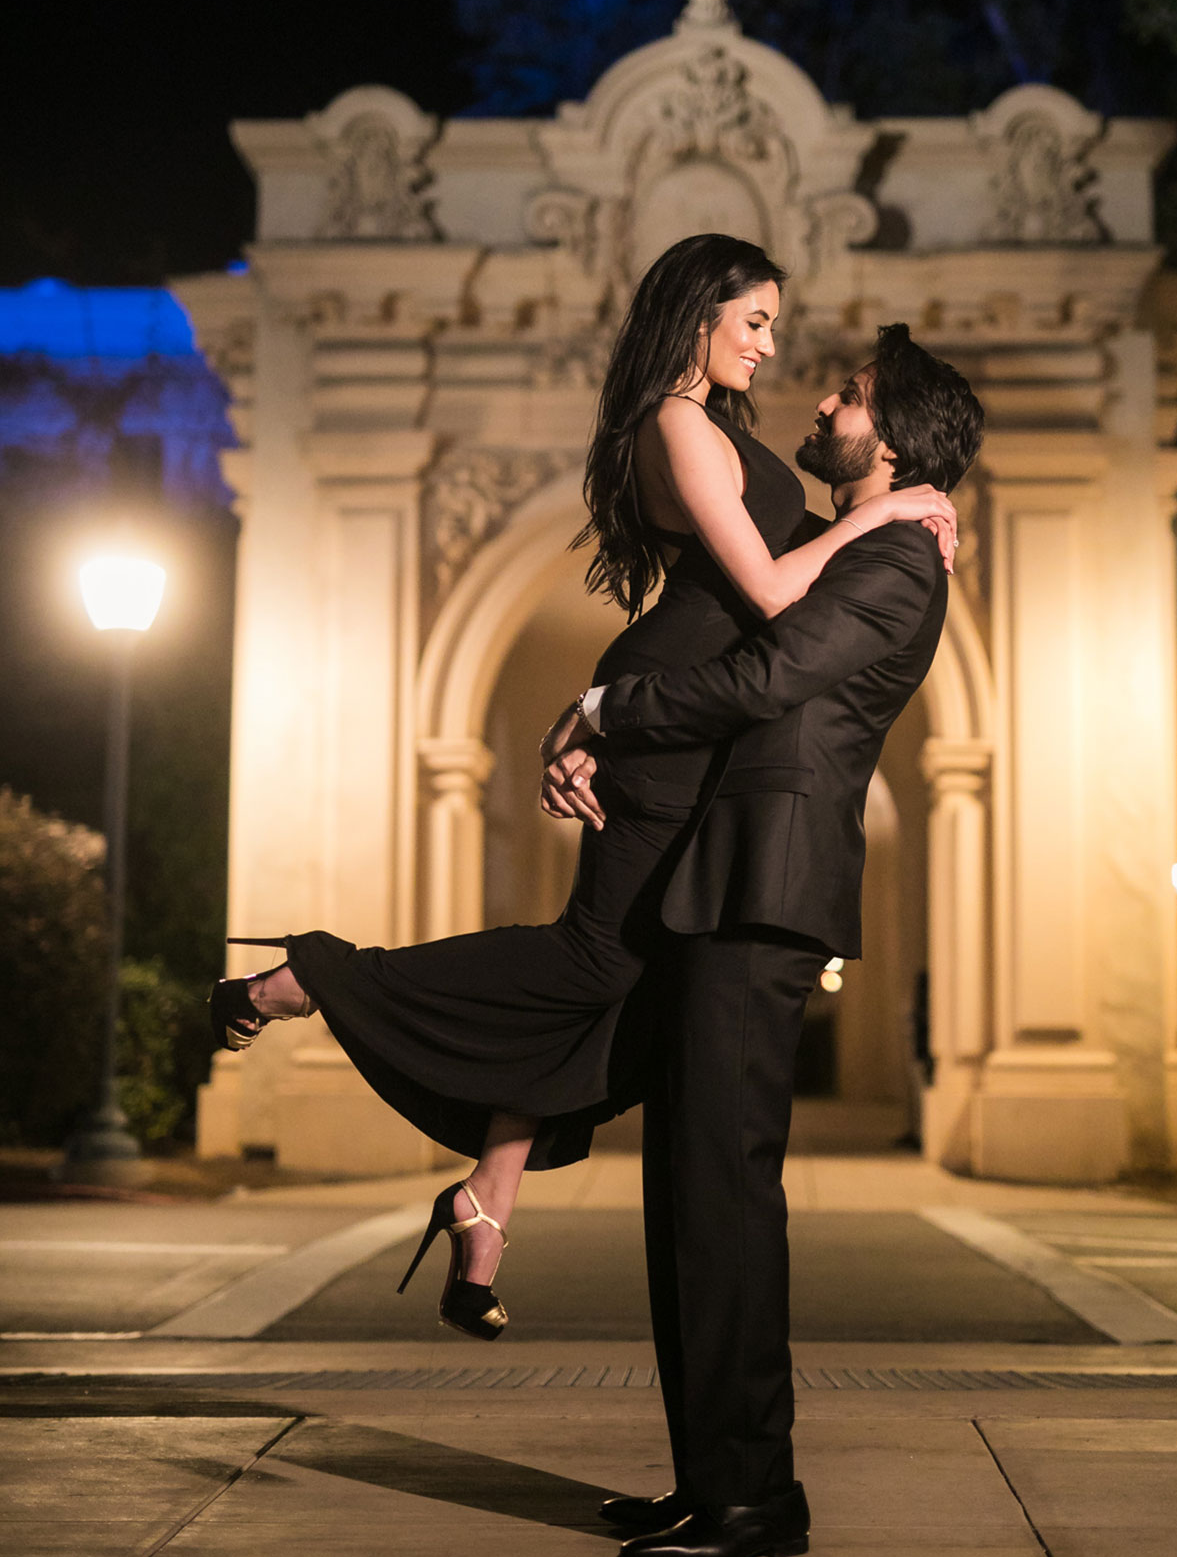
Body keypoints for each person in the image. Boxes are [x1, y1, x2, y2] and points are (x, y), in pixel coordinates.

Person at [207, 234, 956, 1340]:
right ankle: (309, 978)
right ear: (699, 315)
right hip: (667, 712)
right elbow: (763, 589)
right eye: (753, 322)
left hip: (677, 707)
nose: (768, 345)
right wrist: (886, 514)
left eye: (774, 328)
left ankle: (485, 1200)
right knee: (596, 957)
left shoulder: (720, 428)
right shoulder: (676, 421)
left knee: (619, 969)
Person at [537, 324, 985, 1557]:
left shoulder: (899, 558)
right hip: (717, 886)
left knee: (726, 1196)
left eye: (847, 395)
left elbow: (765, 674)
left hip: (766, 894)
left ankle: (753, 1501)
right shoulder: (845, 542)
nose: (823, 397)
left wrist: (607, 708)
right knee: (687, 1193)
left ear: (882, 441)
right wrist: (596, 725)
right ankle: (708, 1480)